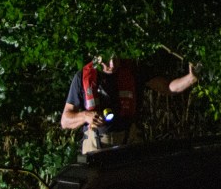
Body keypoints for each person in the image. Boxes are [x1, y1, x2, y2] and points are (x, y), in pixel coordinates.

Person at [60, 54, 198, 154]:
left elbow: (167, 87)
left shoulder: (132, 70)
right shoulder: (83, 76)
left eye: (115, 58)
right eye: (108, 60)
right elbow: (65, 121)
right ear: (97, 56)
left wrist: (191, 78)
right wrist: (85, 116)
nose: (112, 64)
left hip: (129, 142)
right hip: (97, 145)